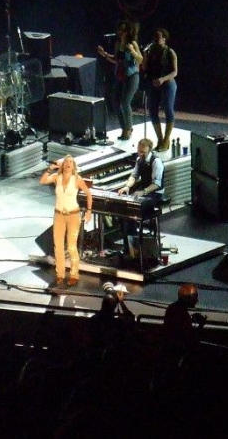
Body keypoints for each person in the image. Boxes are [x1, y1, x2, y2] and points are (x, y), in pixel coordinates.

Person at [39, 155, 93, 287]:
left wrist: (89, 211)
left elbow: (88, 194)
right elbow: (43, 181)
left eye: (71, 162)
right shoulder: (57, 178)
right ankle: (60, 274)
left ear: (74, 166)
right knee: (58, 246)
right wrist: (50, 168)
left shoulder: (77, 179)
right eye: (66, 162)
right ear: (62, 165)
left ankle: (74, 274)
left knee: (71, 246)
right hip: (59, 215)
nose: (68, 164)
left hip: (73, 215)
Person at [97, 20, 143, 140]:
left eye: (123, 30)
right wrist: (104, 54)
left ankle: (129, 128)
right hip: (120, 75)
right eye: (120, 30)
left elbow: (140, 60)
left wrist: (133, 51)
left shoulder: (132, 43)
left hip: (132, 76)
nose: (120, 33)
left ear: (127, 32)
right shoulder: (118, 44)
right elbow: (116, 59)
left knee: (125, 102)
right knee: (115, 101)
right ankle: (124, 128)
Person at [117, 138, 164, 257]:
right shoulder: (139, 160)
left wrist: (143, 192)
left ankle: (134, 244)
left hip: (155, 194)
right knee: (124, 210)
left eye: (143, 152)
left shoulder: (156, 162)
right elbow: (134, 175)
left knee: (133, 209)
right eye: (139, 151)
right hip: (144, 192)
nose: (140, 154)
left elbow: (157, 184)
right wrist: (127, 187)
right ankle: (129, 244)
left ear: (149, 150)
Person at [141, 28, 178, 152]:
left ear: (164, 39)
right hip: (153, 82)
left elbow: (175, 72)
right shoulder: (151, 51)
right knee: (152, 110)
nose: (156, 40)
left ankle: (167, 139)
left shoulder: (170, 52)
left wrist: (163, 79)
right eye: (155, 37)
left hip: (167, 82)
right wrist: (145, 55)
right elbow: (145, 68)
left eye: (158, 37)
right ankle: (160, 138)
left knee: (168, 108)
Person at [162, 283, 206, 356]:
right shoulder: (181, 313)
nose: (196, 300)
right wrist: (200, 325)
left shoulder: (173, 308)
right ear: (187, 298)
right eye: (194, 297)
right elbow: (188, 339)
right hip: (176, 353)